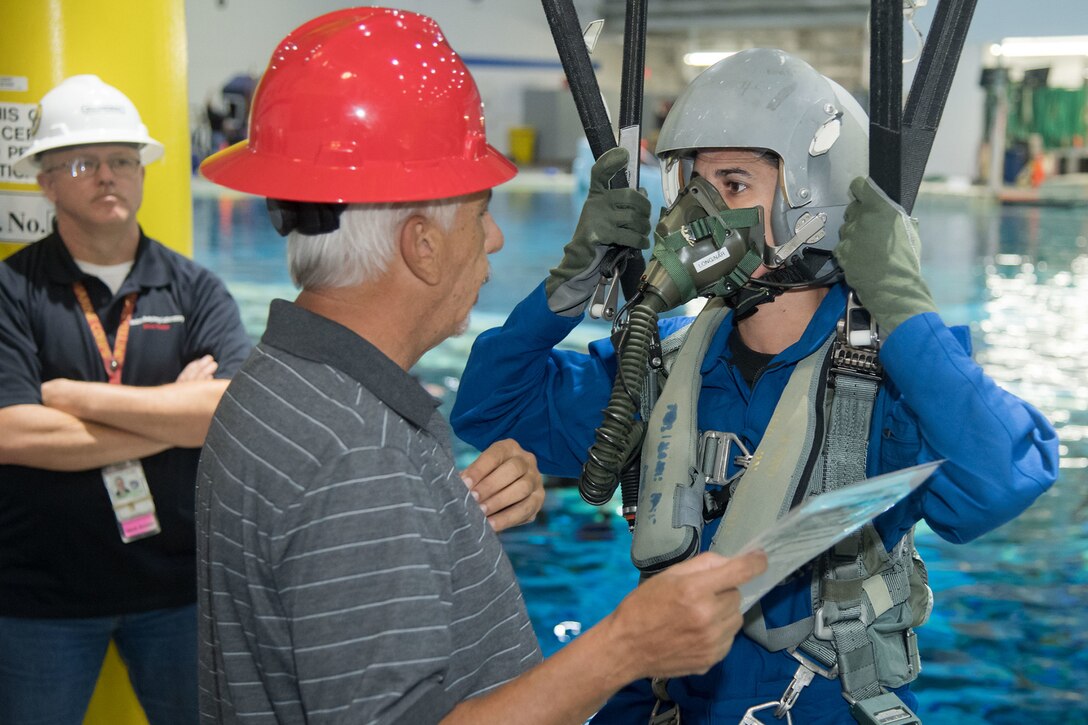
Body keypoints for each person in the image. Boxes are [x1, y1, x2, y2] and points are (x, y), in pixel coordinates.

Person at [452, 48, 1060, 723]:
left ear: (814, 200)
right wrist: (569, 285)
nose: (698, 213)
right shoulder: (659, 368)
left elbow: (1002, 478)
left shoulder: (888, 380)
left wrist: (903, 308)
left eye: (733, 185)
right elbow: (488, 408)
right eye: (692, 186)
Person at [195, 8, 766, 725]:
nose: (495, 238)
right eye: (480, 213)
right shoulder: (359, 458)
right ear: (421, 245)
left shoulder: (276, 387)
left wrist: (444, 517)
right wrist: (625, 644)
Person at [0, 75, 251, 723]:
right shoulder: (11, 292)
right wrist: (175, 413)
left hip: (176, 589)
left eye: (121, 160)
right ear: (47, 181)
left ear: (141, 173)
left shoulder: (195, 289)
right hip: (39, 595)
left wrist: (69, 398)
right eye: (82, 162)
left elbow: (229, 412)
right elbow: (15, 434)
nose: (107, 176)